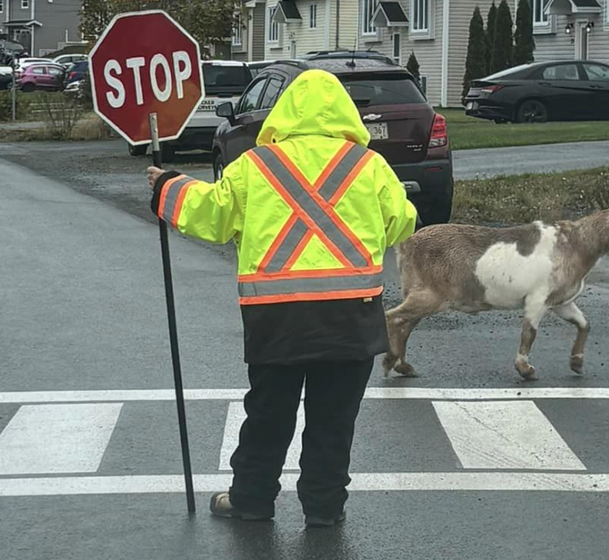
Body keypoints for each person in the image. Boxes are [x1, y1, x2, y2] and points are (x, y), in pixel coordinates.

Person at [146, 69, 418, 527]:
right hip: (352, 320)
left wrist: (166, 186)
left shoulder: (257, 165)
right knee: (333, 422)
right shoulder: (367, 166)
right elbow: (401, 222)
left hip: (277, 319)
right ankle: (324, 509)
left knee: (268, 415)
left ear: (285, 113)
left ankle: (251, 500)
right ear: (346, 115)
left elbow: (212, 215)